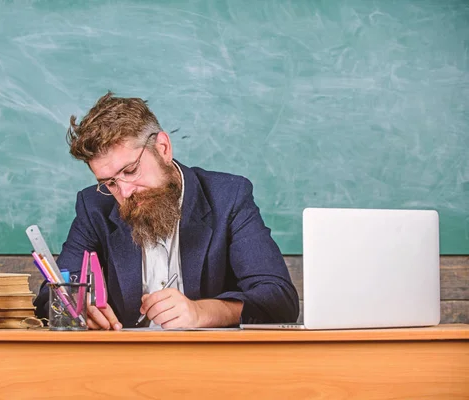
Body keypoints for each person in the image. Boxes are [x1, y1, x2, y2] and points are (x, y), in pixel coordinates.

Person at [34, 92, 299, 330]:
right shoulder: (94, 207)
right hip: (122, 367)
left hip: (212, 367)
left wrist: (203, 312)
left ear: (163, 148)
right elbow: (49, 297)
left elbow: (278, 300)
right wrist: (75, 309)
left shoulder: (228, 197)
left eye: (130, 170)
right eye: (109, 183)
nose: (124, 192)